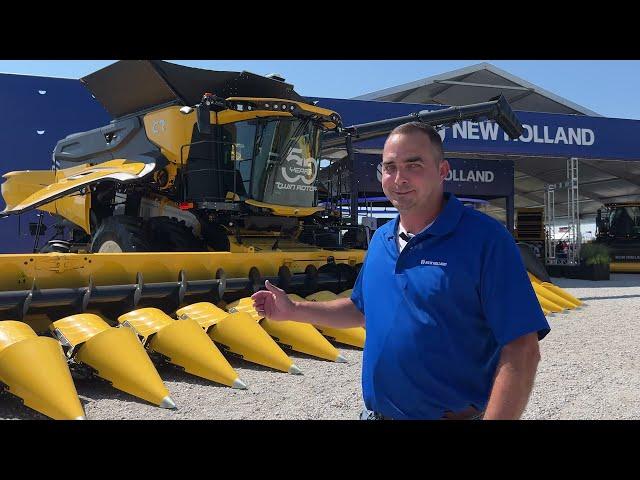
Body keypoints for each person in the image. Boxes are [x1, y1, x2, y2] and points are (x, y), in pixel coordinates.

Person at [252, 122, 550, 420]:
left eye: (413, 165)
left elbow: (522, 350)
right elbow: (361, 311)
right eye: (390, 167)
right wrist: (293, 310)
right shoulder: (382, 239)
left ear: (443, 170)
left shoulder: (486, 240)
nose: (398, 178)